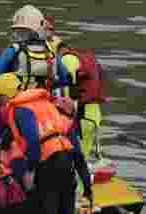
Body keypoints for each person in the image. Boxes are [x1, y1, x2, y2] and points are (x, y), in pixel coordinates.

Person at [0, 72, 76, 214]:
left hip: (49, 160)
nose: (1, 104)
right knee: (52, 208)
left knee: (46, 213)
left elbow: (31, 139)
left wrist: (29, 170)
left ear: (6, 95)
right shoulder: (40, 101)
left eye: (0, 99)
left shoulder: (20, 108)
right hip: (66, 155)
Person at [44, 15, 108, 160]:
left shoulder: (67, 60)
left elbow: (65, 94)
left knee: (75, 159)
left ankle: (78, 181)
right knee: (82, 156)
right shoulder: (82, 57)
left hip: (83, 116)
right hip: (93, 114)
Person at [0, 5, 70, 93]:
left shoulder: (12, 50)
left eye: (19, 31)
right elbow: (66, 78)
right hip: (45, 101)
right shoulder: (51, 52)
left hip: (19, 101)